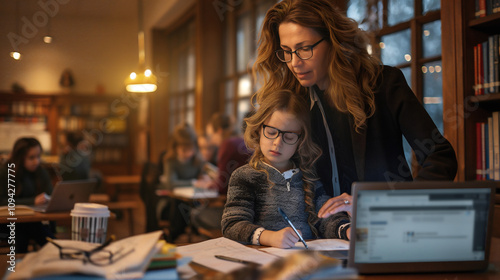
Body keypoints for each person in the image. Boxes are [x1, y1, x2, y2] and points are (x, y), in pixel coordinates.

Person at [253, 0, 458, 218]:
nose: (294, 62)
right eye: (287, 51)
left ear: (333, 41)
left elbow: (440, 156)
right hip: (321, 232)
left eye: (304, 49)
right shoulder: (294, 103)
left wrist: (391, 203)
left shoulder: (384, 85)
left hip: (384, 223)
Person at [222, 90, 350, 248]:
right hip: (262, 259)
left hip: (306, 258)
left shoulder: (309, 176)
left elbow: (327, 219)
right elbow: (232, 224)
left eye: (289, 137)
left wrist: (347, 230)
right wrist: (269, 237)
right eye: (271, 132)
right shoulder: (245, 177)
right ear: (259, 130)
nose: (277, 143)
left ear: (300, 141)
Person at [191, 113, 252, 233]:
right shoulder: (241, 140)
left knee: (195, 214)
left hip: (241, 213)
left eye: (211, 135)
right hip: (251, 208)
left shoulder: (227, 144)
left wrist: (207, 184)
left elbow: (221, 187)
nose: (211, 140)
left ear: (218, 131)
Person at [0, 137, 55, 253]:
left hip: (31, 220)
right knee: (25, 228)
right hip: (7, 223)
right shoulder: (5, 172)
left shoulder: (40, 171)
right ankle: (57, 249)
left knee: (28, 227)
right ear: (20, 157)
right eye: (31, 157)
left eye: (38, 156)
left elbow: (50, 195)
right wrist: (32, 201)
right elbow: (2, 201)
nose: (37, 161)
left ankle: (21, 264)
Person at [156, 123, 206, 242]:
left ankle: (194, 233)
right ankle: (176, 235)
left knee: (200, 208)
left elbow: (205, 179)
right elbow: (171, 184)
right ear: (175, 147)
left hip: (194, 201)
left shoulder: (198, 161)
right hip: (171, 202)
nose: (188, 153)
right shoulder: (170, 160)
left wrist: (206, 179)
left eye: (191, 149)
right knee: (179, 204)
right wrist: (194, 182)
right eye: (184, 149)